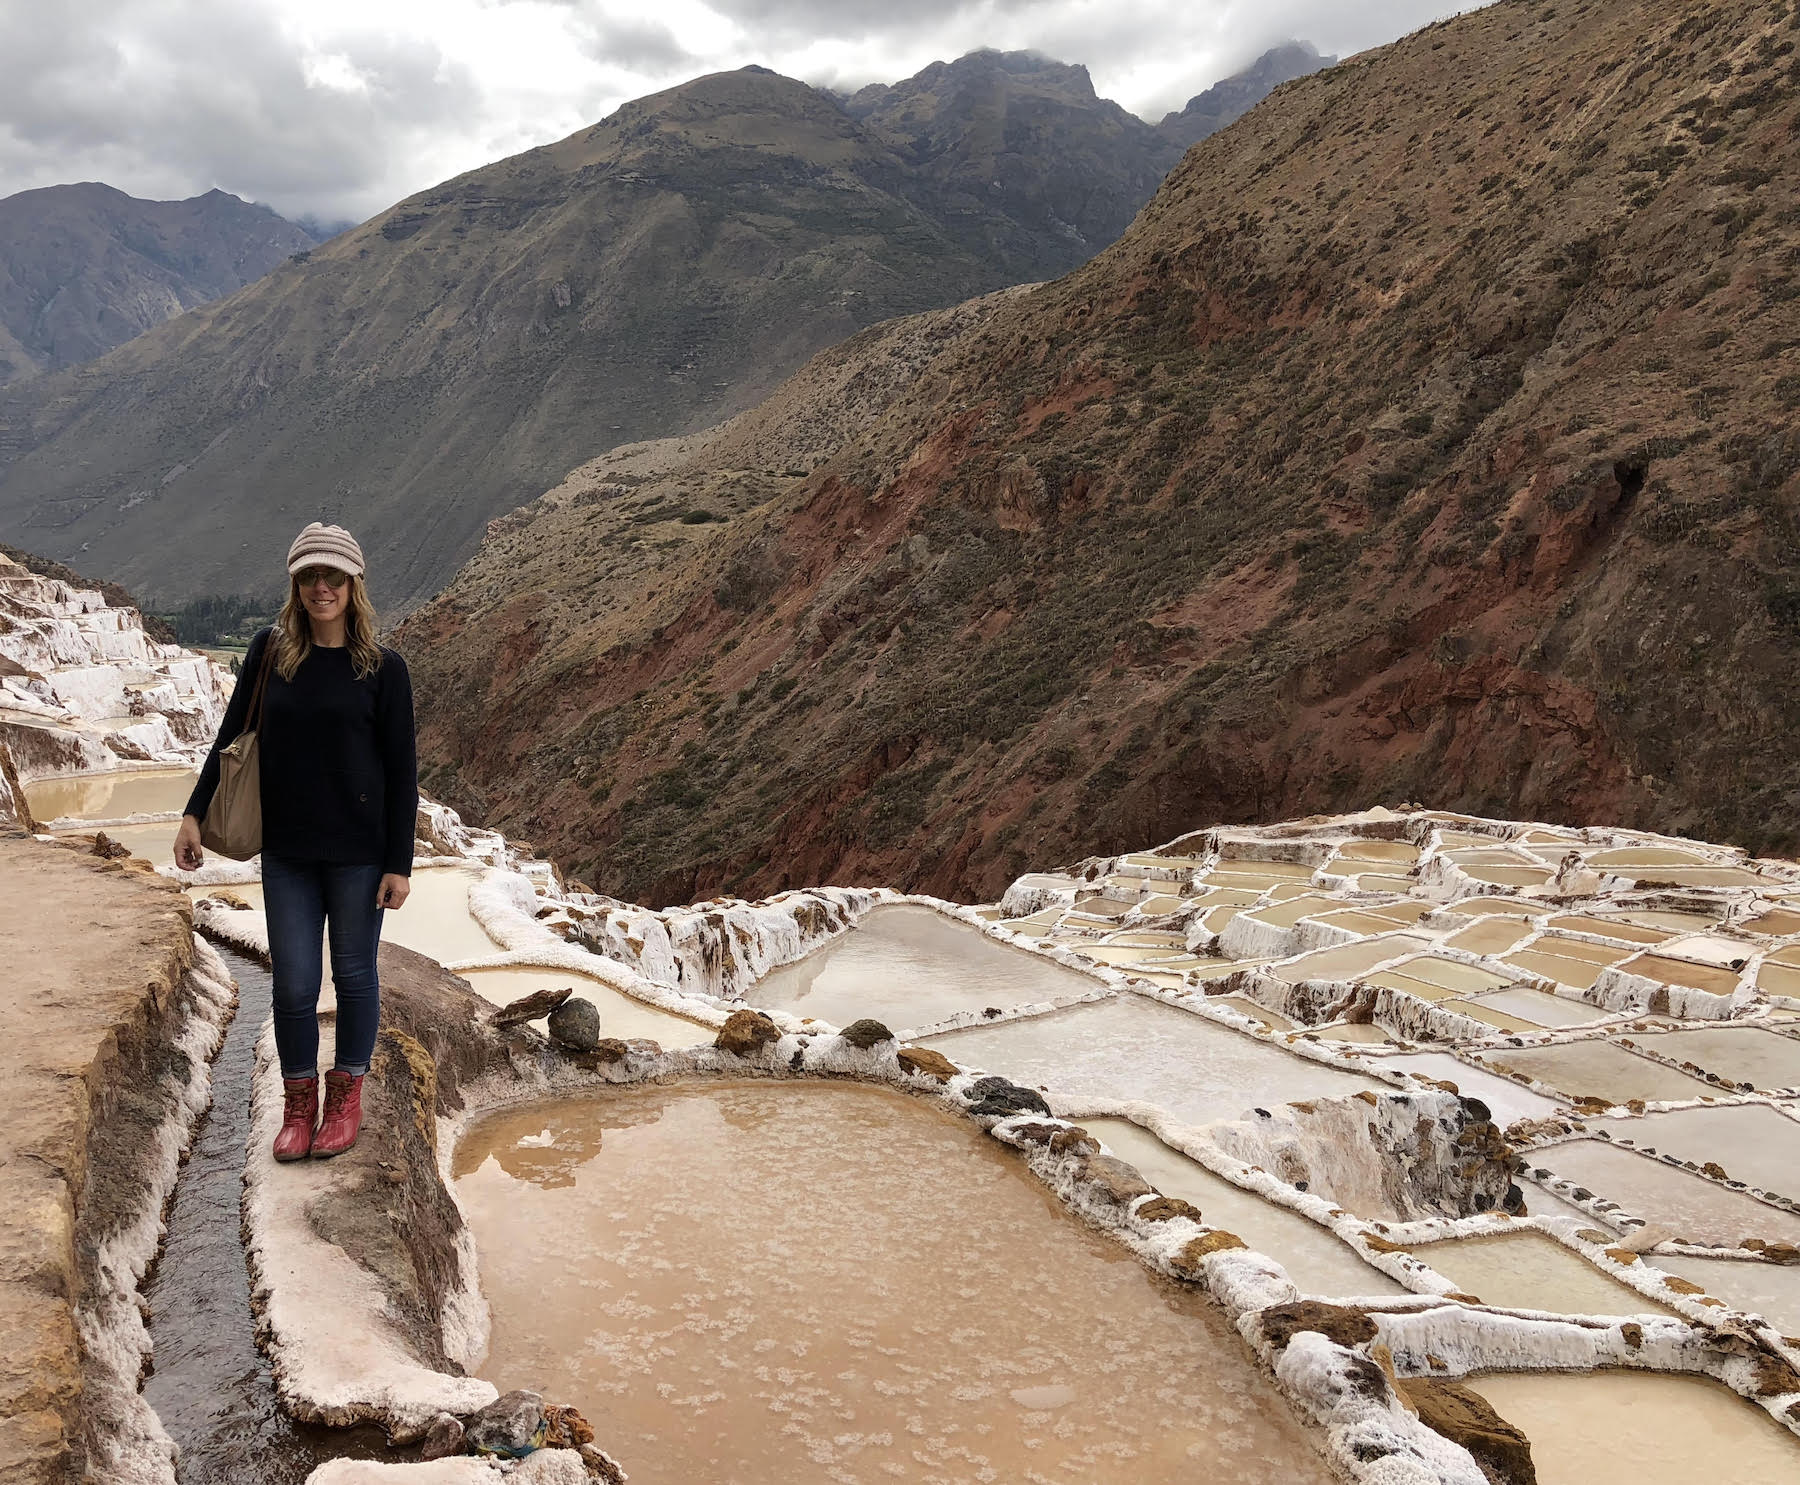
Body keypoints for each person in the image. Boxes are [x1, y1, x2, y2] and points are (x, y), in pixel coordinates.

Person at [175, 523, 417, 1162]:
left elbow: (402, 773)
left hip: (360, 854)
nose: (320, 588)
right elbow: (232, 738)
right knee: (294, 985)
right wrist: (194, 814)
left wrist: (400, 864)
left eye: (332, 576)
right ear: (295, 584)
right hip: (288, 849)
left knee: (357, 974)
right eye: (309, 576)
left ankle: (347, 1096)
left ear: (353, 584)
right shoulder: (270, 654)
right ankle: (299, 1103)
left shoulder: (384, 669)